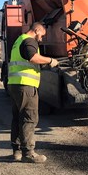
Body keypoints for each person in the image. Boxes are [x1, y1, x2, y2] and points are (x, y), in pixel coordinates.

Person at [8, 22, 59, 163]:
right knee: (29, 118)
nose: (41, 39)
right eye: (41, 35)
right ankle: (28, 153)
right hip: (26, 85)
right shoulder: (29, 41)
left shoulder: (19, 40)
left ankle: (17, 151)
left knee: (18, 118)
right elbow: (32, 57)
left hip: (15, 84)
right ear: (36, 30)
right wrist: (50, 60)